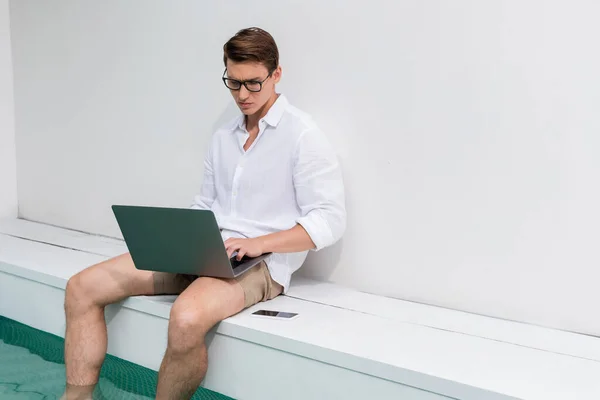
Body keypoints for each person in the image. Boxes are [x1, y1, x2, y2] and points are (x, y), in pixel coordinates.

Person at [61, 27, 346, 400]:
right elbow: (207, 204)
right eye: (233, 82)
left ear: (277, 74)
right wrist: (181, 236)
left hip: (261, 264)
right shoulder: (222, 136)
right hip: (207, 250)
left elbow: (330, 219)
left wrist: (257, 242)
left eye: (254, 84)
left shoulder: (303, 135)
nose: (242, 95)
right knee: (81, 288)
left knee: (186, 317)